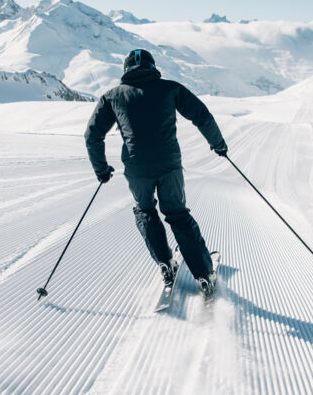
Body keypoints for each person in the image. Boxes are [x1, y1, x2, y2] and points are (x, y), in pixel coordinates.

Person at [84, 49, 228, 297]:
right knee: (177, 214)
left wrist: (101, 169)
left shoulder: (112, 96)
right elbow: (201, 116)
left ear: (125, 69)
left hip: (136, 167)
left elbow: (92, 135)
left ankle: (165, 262)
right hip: (169, 163)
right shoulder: (170, 88)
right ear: (152, 66)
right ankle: (205, 275)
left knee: (145, 211)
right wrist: (218, 145)